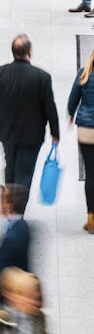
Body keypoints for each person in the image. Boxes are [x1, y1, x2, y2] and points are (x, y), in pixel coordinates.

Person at [0, 35, 60, 209]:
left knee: (10, 165)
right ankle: (17, 213)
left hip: (7, 132)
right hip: (32, 136)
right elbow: (50, 108)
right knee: (25, 172)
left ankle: (9, 200)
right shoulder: (42, 77)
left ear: (13, 52)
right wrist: (55, 132)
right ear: (30, 52)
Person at [0, 185, 31, 305]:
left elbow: (0, 276)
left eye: (1, 201)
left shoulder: (11, 239)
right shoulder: (23, 226)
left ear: (8, 206)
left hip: (7, 300)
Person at [69, 46, 94, 232]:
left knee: (91, 174)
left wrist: (72, 116)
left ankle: (91, 219)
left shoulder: (83, 73)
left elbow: (72, 103)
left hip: (86, 130)